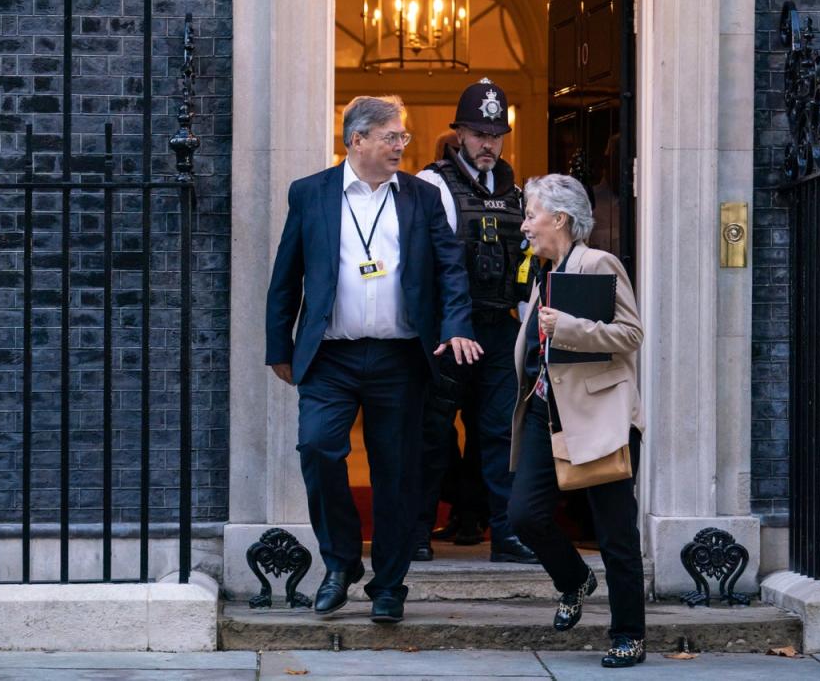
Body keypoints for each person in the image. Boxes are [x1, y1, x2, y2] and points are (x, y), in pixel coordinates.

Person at [265, 95, 483, 624]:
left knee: (398, 474)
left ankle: (389, 583)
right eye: (392, 137)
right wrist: (280, 345)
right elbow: (287, 273)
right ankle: (340, 563)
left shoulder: (420, 196)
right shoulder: (310, 193)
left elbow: (450, 268)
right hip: (330, 357)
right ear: (356, 139)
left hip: (399, 357)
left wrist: (456, 324)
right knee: (317, 448)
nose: (401, 146)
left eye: (404, 137)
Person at [507, 174, 646, 668]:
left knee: (615, 534)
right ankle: (574, 580)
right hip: (550, 412)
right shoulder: (544, 271)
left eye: (531, 215)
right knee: (524, 514)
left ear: (559, 219)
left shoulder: (597, 263)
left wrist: (566, 327)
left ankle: (628, 633)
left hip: (599, 416)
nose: (525, 225)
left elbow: (630, 334)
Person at [413, 79, 537, 564]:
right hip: (448, 331)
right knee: (434, 433)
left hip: (499, 329)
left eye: (496, 134)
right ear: (459, 133)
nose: (488, 143)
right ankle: (418, 532)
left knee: (502, 433)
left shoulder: (519, 194)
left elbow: (527, 269)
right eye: (479, 133)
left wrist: (530, 332)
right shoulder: (430, 185)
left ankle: (506, 535)